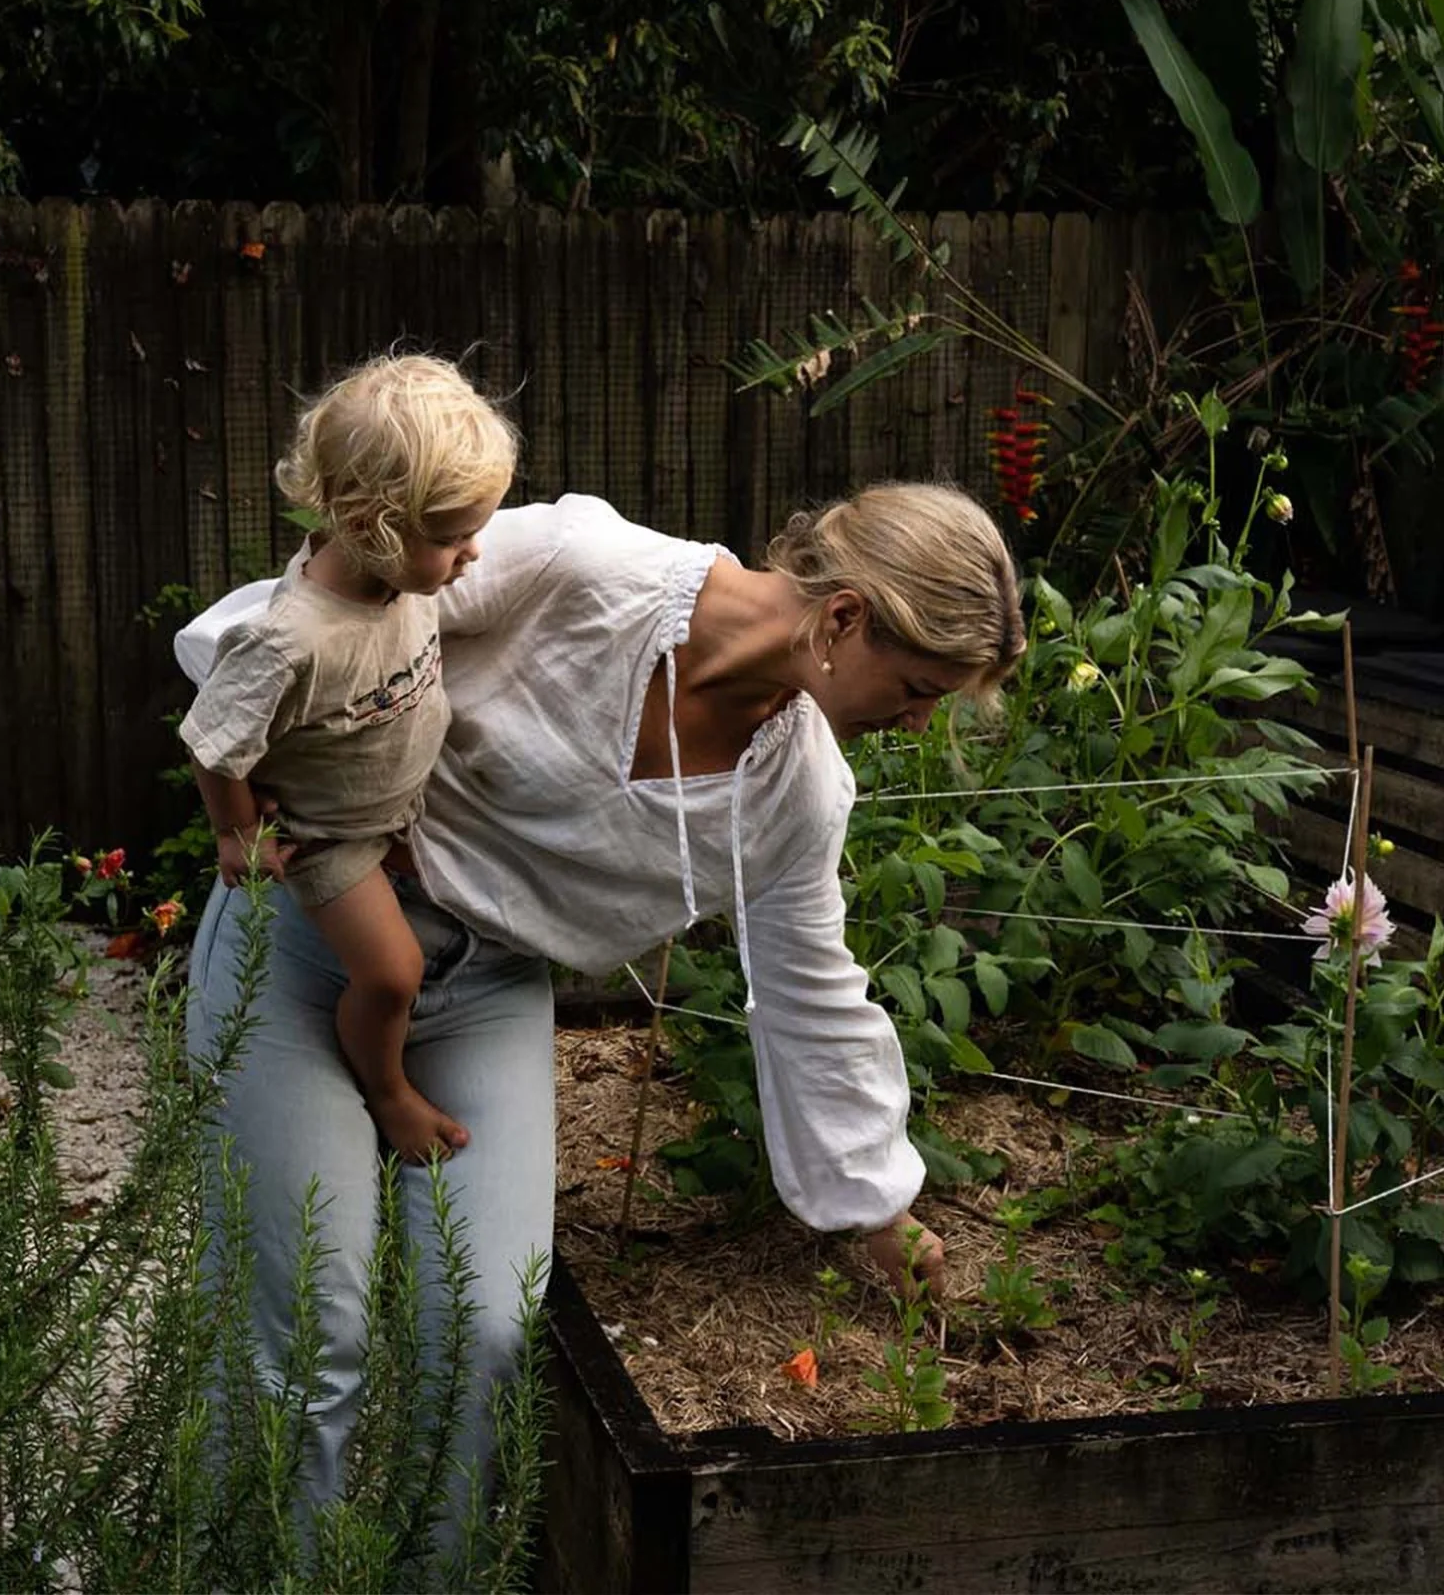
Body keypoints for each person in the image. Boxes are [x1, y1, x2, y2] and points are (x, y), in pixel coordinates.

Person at [178, 477, 1025, 1527]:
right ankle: (265, 1567)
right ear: (843, 619)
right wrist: (261, 770)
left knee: (486, 1330)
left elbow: (810, 988)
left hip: (485, 987)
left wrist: (875, 1206)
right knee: (307, 1331)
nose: (917, 719)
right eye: (920, 686)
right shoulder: (587, 571)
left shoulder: (794, 791)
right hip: (314, 936)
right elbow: (344, 606)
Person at [179, 353, 517, 1163]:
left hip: (395, 810)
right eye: (451, 536)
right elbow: (212, 743)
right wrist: (237, 837)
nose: (472, 553)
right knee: (393, 972)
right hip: (332, 840)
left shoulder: (399, 582)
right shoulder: (291, 639)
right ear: (373, 527)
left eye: (478, 529)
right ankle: (386, 1090)